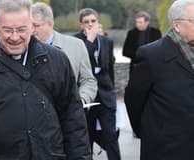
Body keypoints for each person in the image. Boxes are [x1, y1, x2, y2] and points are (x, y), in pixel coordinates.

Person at [0, 0, 92, 160]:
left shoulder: (57, 61)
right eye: (8, 30)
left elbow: (73, 120)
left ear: (32, 27)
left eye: (22, 29)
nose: (15, 37)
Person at [124, 0, 194, 159]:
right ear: (177, 25)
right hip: (166, 148)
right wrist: (152, 133)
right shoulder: (151, 55)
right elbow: (134, 100)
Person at [74, 8, 121, 160]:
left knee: (111, 136)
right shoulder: (76, 41)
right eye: (86, 22)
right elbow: (80, 63)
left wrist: (112, 90)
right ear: (81, 24)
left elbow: (110, 68)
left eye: (93, 21)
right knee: (88, 138)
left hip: (106, 95)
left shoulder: (107, 41)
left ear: (97, 21)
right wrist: (89, 40)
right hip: (87, 97)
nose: (90, 24)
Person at [31, 2, 97, 104]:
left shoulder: (76, 45)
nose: (31, 30)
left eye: (35, 25)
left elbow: (88, 81)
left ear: (50, 23)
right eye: (28, 26)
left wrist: (82, 100)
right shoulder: (21, 48)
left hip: (68, 115)